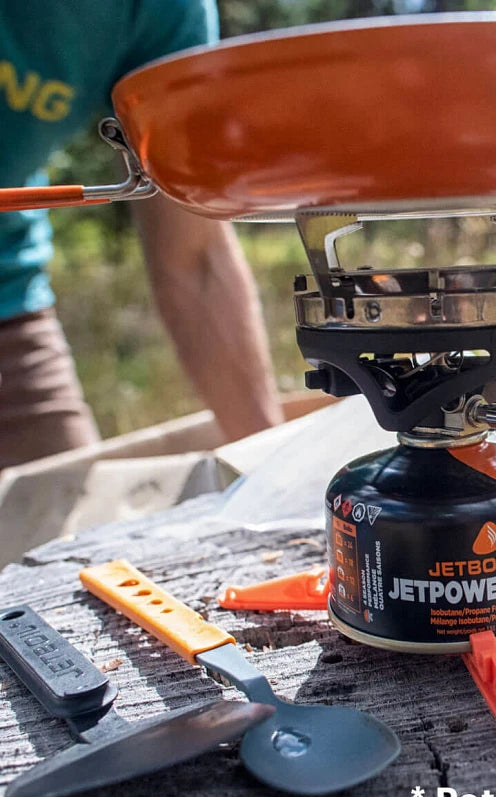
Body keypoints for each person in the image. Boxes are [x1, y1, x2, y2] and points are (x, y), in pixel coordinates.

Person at [0, 0, 284, 470]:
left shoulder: (164, 11)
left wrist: (271, 478)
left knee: (68, 536)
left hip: (10, 308)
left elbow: (194, 260)